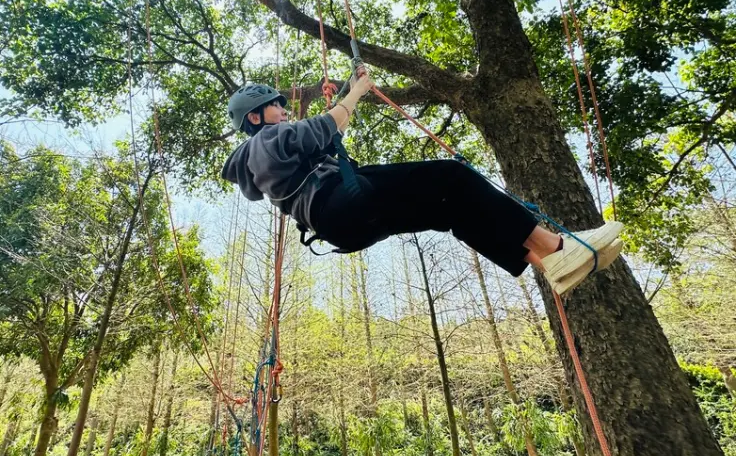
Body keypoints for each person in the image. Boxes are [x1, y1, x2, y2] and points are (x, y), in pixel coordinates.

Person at [221, 74, 623, 294]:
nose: (283, 110)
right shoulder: (264, 141)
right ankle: (556, 246)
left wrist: (341, 97)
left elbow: (316, 137)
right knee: (451, 175)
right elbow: (329, 124)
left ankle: (545, 262)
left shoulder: (266, 159)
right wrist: (356, 91)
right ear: (256, 117)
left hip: (343, 222)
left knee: (451, 208)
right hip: (342, 201)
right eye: (276, 106)